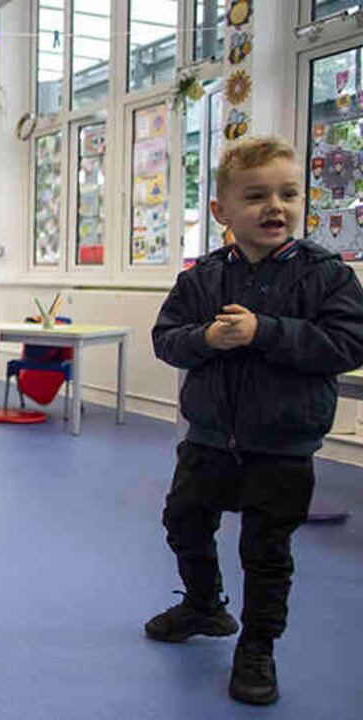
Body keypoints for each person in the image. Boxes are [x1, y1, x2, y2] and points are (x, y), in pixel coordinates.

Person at [149, 136, 363, 705]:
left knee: (266, 553)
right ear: (221, 211)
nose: (275, 207)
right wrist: (206, 338)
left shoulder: (327, 275)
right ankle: (204, 606)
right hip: (209, 439)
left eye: (288, 194)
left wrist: (264, 332)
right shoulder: (201, 278)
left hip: (282, 446)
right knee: (184, 522)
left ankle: (258, 647)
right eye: (256, 196)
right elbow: (166, 340)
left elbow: (348, 344)